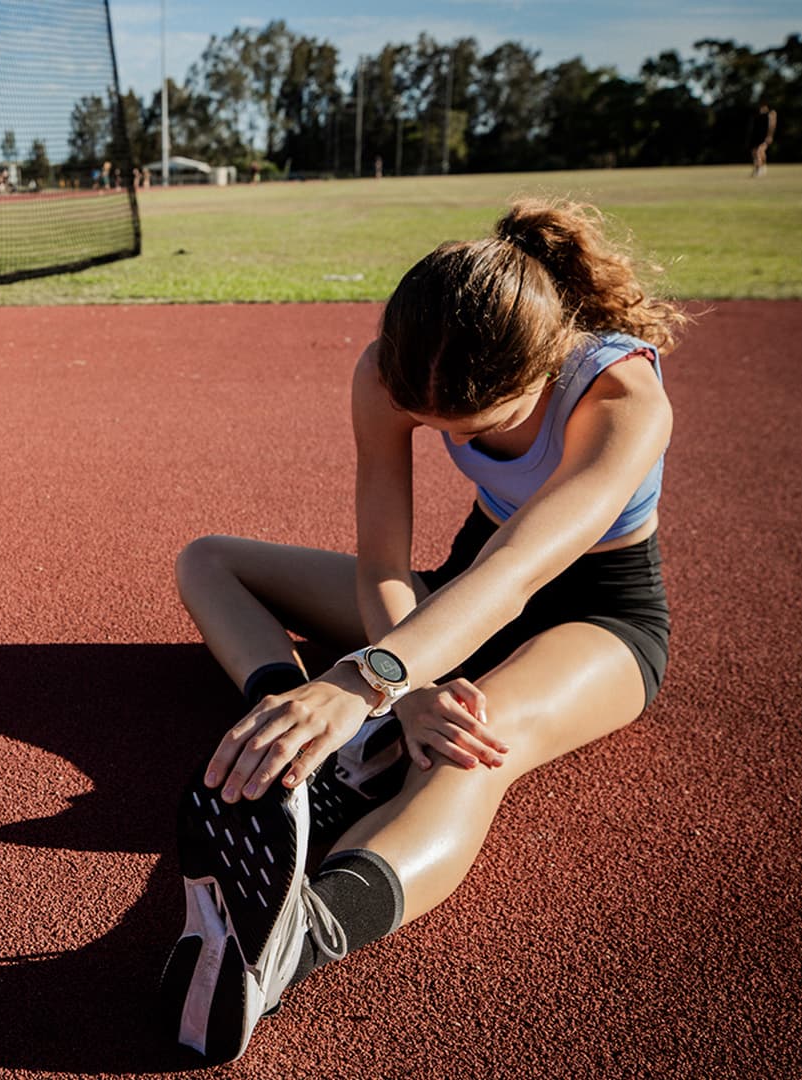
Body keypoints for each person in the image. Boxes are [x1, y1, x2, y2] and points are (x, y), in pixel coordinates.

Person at [157, 198, 685, 1062]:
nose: (441, 435)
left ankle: (294, 941)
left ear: (546, 368)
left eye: (468, 432)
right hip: (450, 601)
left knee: (482, 744)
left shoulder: (625, 396)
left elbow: (515, 576)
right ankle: (305, 732)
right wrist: (382, 686)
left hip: (600, 616)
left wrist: (371, 679)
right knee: (209, 561)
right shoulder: (388, 371)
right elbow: (383, 563)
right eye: (423, 417)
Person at [750, 103, 777, 178]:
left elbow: (771, 126)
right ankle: (761, 167)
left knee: (759, 151)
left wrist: (769, 136)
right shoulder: (758, 116)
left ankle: (759, 170)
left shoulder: (770, 114)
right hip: (757, 137)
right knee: (756, 152)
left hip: (765, 137)